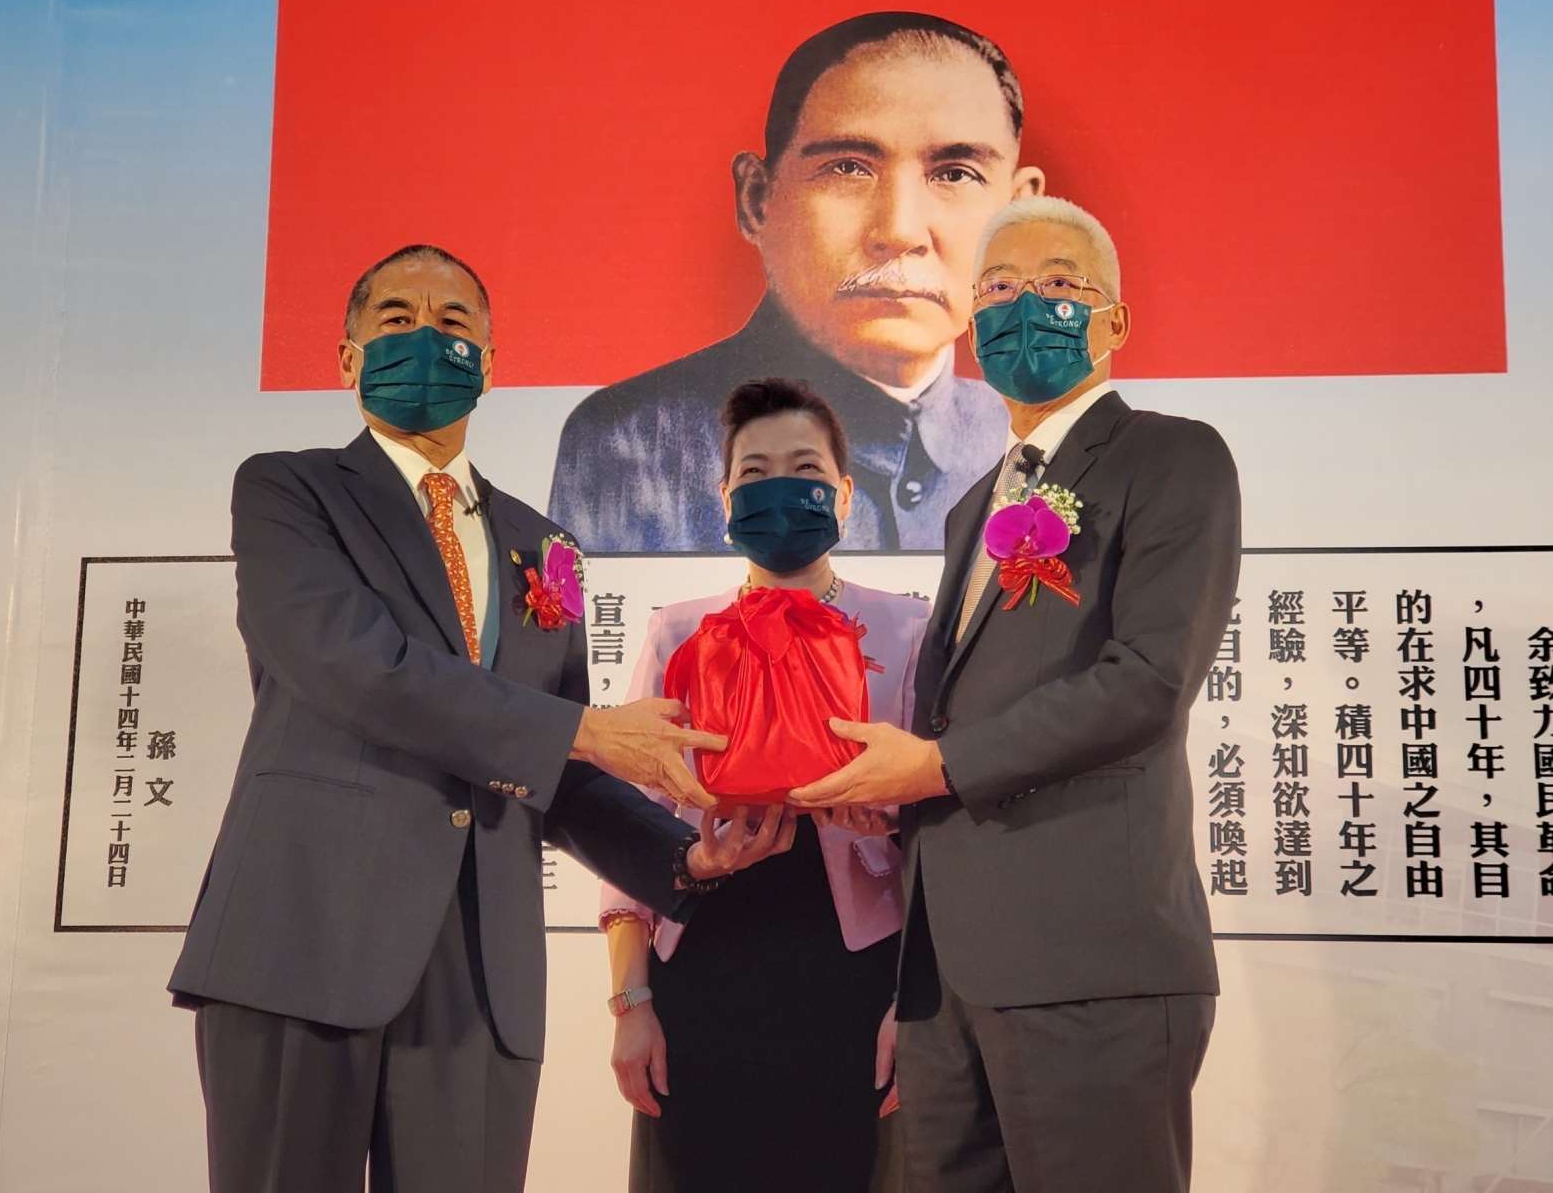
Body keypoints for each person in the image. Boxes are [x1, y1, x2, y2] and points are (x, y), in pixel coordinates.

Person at [167, 243, 790, 1193]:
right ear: (346, 357)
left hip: (481, 967)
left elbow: (559, 766)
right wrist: (584, 733)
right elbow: (354, 667)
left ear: (490, 364)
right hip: (303, 939)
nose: (426, 337)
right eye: (397, 319)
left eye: (453, 322)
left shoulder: (545, 545)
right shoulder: (290, 491)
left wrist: (682, 858)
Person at [791, 197, 1242, 1192]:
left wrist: (936, 766)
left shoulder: (1169, 458)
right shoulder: (971, 507)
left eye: (1058, 283)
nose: (1024, 305)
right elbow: (961, 709)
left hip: (1091, 962)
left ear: (1114, 321)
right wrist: (891, 790)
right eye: (997, 287)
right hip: (944, 974)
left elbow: (1148, 679)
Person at [598, 378, 931, 1192]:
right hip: (701, 969)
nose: (779, 489)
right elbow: (628, 830)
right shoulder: (678, 632)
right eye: (753, 473)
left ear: (844, 495)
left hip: (858, 978)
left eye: (804, 469)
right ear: (724, 498)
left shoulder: (908, 630)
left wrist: (916, 1003)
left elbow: (940, 839)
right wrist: (632, 1003)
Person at [549, 11, 1045, 553]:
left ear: (1018, 217)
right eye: (848, 168)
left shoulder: (1022, 442)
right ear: (758, 200)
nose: (900, 231)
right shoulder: (630, 445)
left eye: (954, 175)